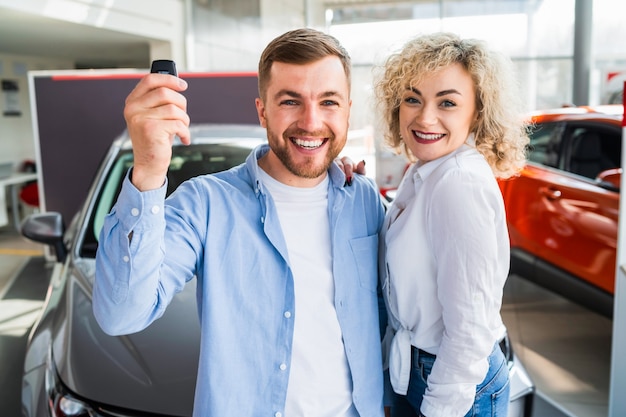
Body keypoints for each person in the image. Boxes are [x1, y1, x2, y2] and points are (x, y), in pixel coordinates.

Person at [93, 28, 386, 417]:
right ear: (262, 110)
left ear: (347, 109)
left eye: (328, 102)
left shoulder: (364, 200)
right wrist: (148, 168)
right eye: (290, 101)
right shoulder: (205, 204)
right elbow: (121, 313)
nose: (311, 121)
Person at [374, 32, 529, 417]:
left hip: (453, 381)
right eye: (413, 98)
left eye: (447, 102)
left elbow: (471, 328)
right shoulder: (428, 169)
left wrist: (440, 408)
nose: (425, 118)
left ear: (477, 111)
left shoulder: (457, 182)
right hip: (422, 367)